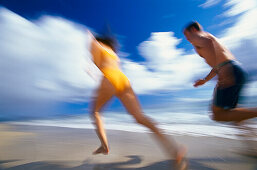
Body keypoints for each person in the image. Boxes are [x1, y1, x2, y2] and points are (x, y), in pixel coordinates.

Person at [87, 30, 187, 169]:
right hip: (123, 80)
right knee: (140, 117)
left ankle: (104, 146)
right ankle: (173, 149)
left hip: (109, 78)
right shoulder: (112, 53)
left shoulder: (96, 45)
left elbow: (98, 59)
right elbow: (109, 67)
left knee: (95, 112)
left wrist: (90, 39)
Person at [183, 21, 257, 123]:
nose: (186, 38)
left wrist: (225, 71)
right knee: (233, 113)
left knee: (218, 115)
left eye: (186, 34)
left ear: (194, 30)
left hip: (229, 71)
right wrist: (205, 80)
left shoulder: (198, 37)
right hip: (236, 70)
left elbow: (208, 42)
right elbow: (217, 65)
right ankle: (250, 135)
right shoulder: (210, 39)